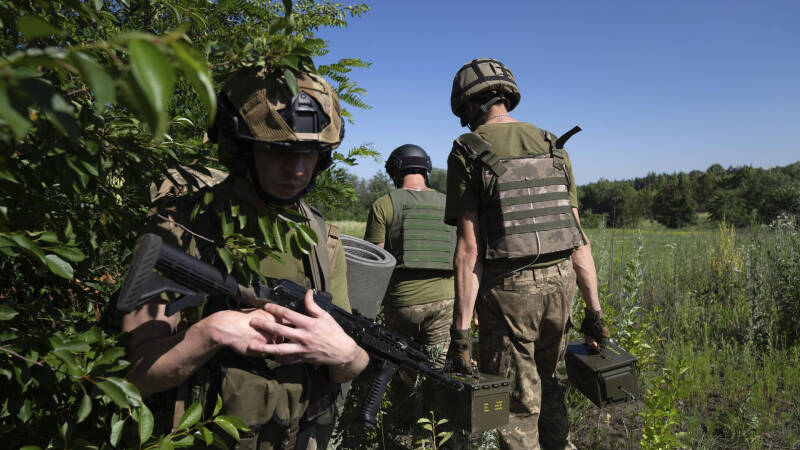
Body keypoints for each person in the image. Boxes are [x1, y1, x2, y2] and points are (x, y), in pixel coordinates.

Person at [122, 66, 369, 450]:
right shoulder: (180, 228)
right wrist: (210, 332)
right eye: (277, 150)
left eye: (311, 153)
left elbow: (350, 362)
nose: (298, 169)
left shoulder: (323, 241)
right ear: (240, 148)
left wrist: (347, 355)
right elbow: (136, 376)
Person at [444, 58, 609, 450]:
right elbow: (578, 238)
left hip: (509, 292)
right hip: (562, 284)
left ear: (468, 105)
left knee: (516, 407)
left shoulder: (467, 151)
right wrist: (595, 312)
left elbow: (469, 252)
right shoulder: (553, 145)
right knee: (550, 385)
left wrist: (460, 333)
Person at [364, 144, 455, 368]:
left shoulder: (384, 204)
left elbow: (375, 262)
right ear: (426, 170)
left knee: (400, 368)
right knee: (439, 369)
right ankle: (436, 402)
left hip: (402, 303)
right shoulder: (449, 204)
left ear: (395, 172)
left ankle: (406, 402)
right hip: (446, 302)